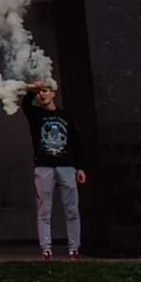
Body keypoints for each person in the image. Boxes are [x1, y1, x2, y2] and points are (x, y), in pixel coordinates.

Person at [22, 82, 86, 260]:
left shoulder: (65, 116)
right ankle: (46, 249)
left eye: (45, 91)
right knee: (44, 211)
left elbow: (76, 142)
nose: (42, 95)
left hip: (66, 166)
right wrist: (32, 90)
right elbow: (25, 105)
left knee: (72, 210)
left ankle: (74, 249)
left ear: (53, 93)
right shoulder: (36, 114)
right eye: (40, 92)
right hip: (43, 166)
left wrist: (80, 167)